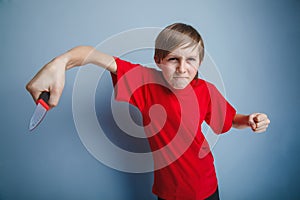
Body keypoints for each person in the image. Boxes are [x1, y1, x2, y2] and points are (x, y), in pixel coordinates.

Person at [26, 23, 270, 200]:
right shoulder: (144, 83)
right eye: (174, 59)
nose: (183, 68)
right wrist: (58, 63)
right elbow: (90, 55)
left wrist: (249, 120)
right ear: (158, 60)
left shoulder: (206, 90)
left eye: (191, 60)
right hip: (169, 193)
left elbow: (229, 121)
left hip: (207, 187)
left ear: (200, 63)